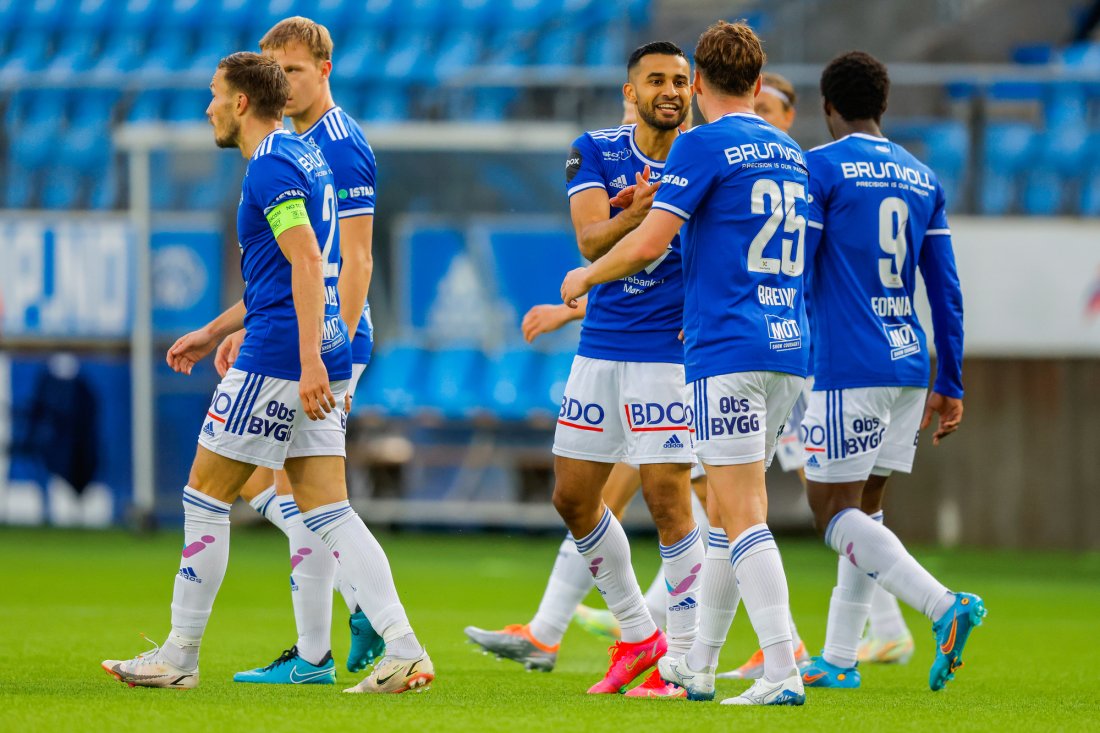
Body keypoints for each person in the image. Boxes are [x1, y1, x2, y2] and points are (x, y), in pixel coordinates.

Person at [100, 52, 433, 695]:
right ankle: (405, 648)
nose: (208, 108)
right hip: (315, 350)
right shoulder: (303, 155)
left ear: (242, 103)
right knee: (327, 509)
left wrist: (306, 361)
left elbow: (308, 261)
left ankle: (178, 655)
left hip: (282, 359)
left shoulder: (273, 165)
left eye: (214, 95)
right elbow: (287, 272)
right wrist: (215, 329)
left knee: (205, 494)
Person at [561, 21, 810, 706]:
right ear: (760, 86)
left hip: (727, 346)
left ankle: (783, 669)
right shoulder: (790, 149)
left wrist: (585, 279)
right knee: (731, 518)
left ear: (697, 84)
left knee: (740, 514)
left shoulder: (702, 144)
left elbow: (649, 242)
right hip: (789, 345)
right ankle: (692, 668)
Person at [506, 41, 700, 699]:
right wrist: (640, 210)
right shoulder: (594, 148)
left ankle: (684, 660)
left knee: (669, 501)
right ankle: (639, 632)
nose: (671, 90)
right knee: (572, 497)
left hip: (668, 355)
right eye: (656, 80)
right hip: (603, 344)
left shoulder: (706, 156)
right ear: (630, 92)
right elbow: (589, 240)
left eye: (680, 80)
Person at [795, 51, 985, 693]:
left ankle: (942, 606)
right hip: (908, 363)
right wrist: (950, 381)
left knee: (830, 512)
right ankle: (840, 658)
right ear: (883, 106)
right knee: (864, 513)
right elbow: (947, 289)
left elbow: (796, 266)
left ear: (827, 108)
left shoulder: (818, 169)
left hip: (848, 364)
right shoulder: (921, 177)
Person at [212, 15, 384, 686]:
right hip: (300, 334)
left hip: (331, 339)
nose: (283, 83)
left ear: (325, 72)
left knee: (297, 490)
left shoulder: (340, 146)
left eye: (295, 72)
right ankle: (324, 641)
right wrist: (241, 325)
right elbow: (288, 264)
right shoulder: (292, 144)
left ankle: (334, 630)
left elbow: (356, 259)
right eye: (274, 72)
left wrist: (325, 354)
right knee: (284, 487)